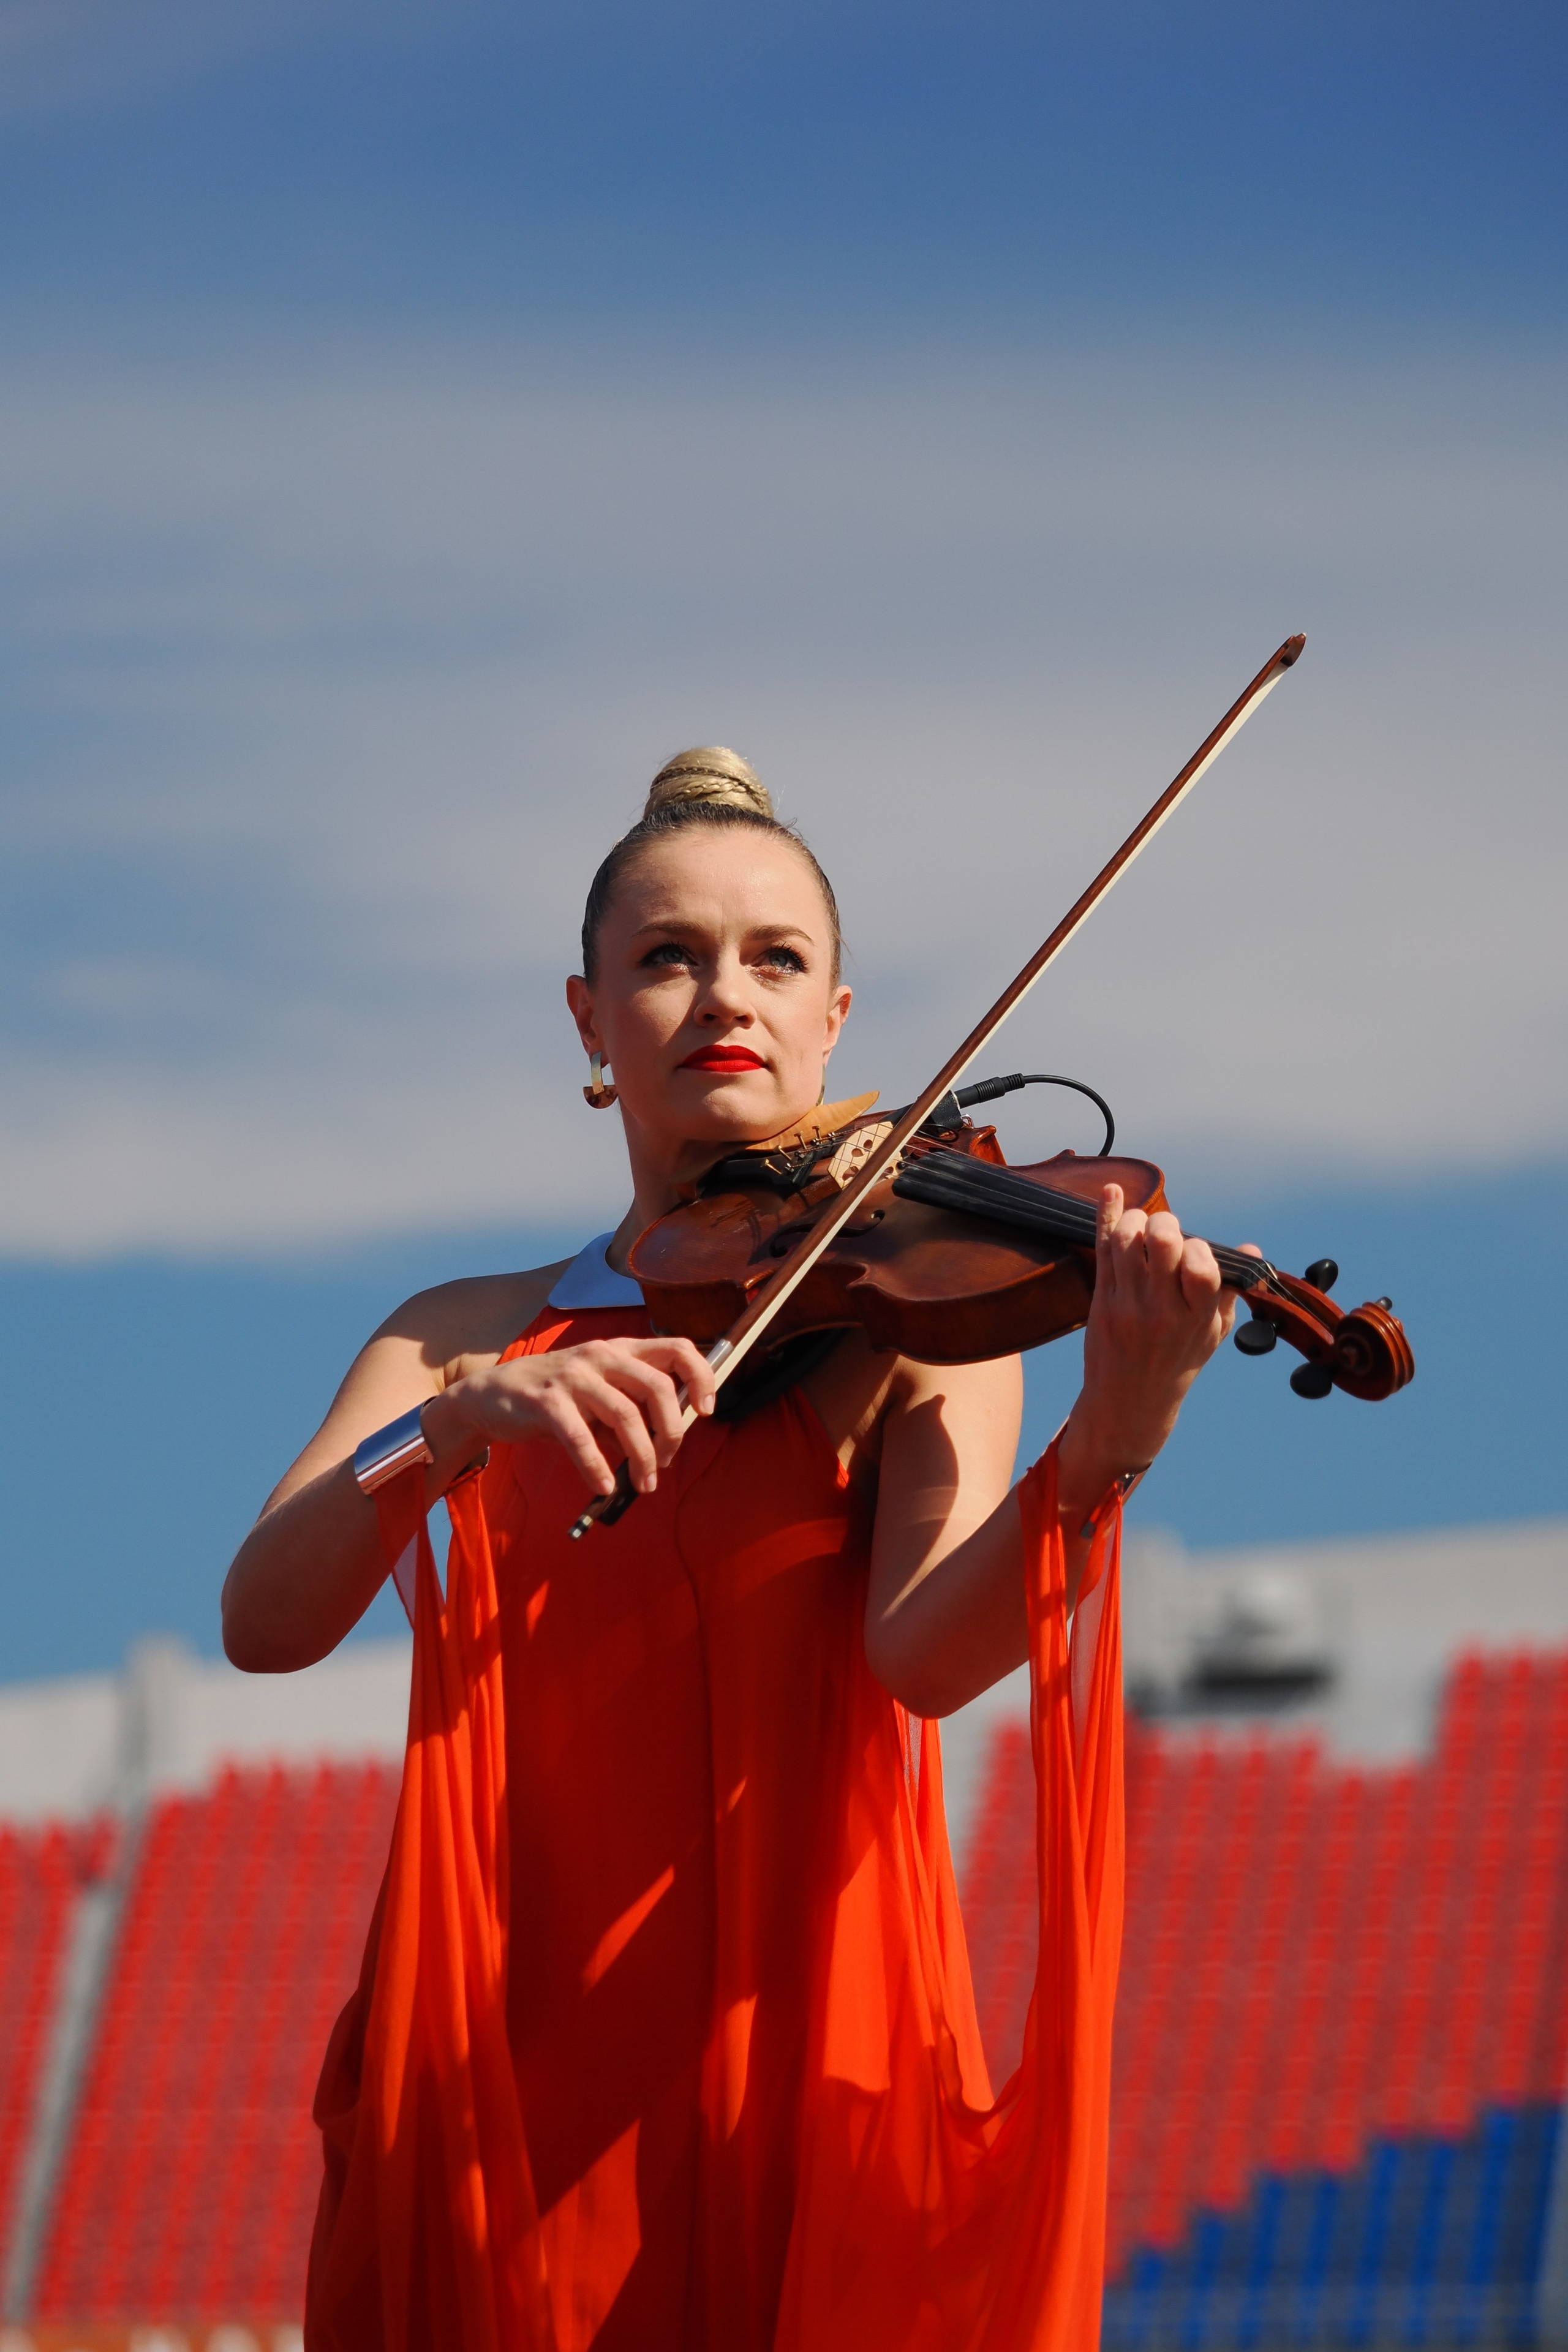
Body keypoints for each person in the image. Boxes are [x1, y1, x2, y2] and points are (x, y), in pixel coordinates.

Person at [223, 749, 1246, 2352]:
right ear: (586, 1021)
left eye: (776, 960)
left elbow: (923, 1657)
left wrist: (1107, 1443)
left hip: (801, 2036)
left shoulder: (921, 1318)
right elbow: (265, 1615)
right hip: (499, 2065)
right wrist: (467, 1424)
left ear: (838, 1020)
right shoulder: (460, 1339)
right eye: (667, 957)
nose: (726, 995)